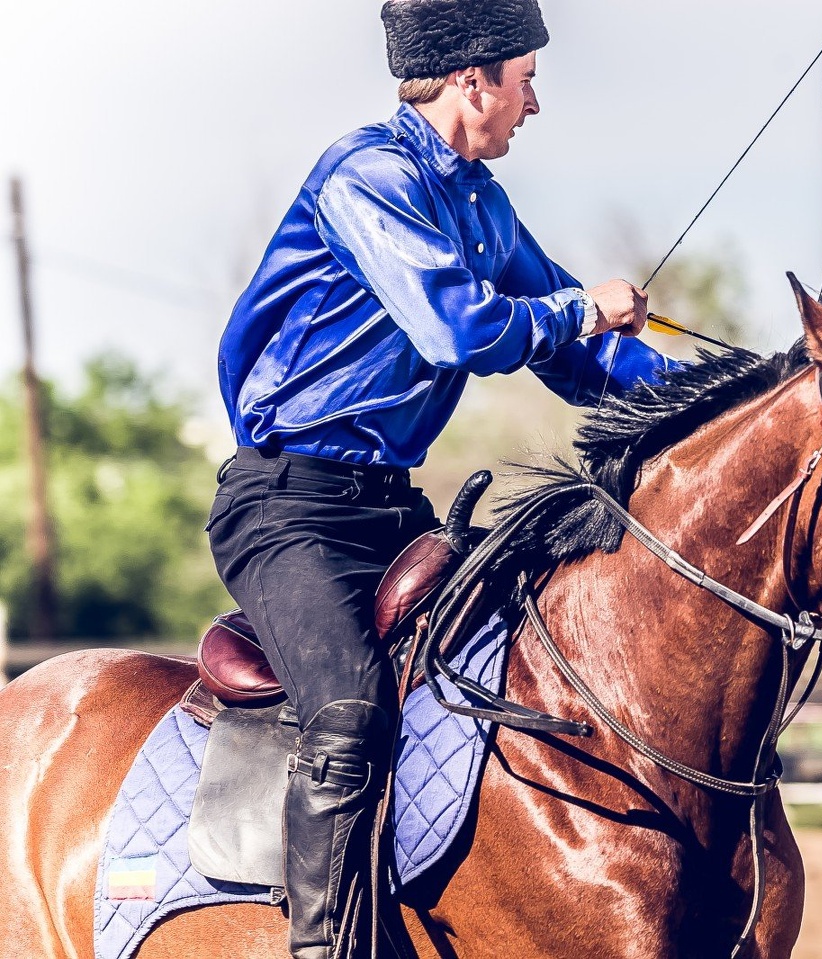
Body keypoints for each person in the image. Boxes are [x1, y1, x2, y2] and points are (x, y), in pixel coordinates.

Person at [206, 2, 677, 956]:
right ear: (473, 80)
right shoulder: (367, 177)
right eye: (525, 79)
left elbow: (579, 362)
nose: (533, 104)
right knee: (348, 713)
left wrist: (720, 397)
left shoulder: (481, 202)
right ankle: (328, 945)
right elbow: (458, 328)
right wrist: (584, 305)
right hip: (287, 509)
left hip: (391, 507)